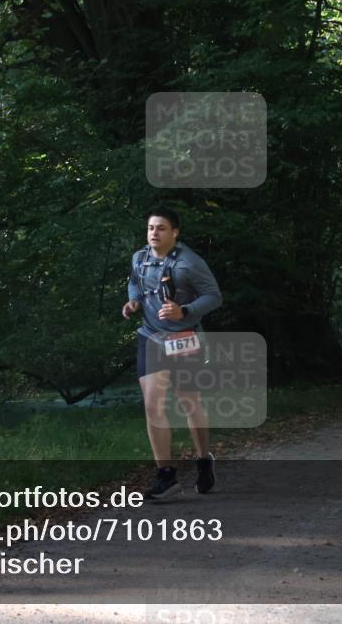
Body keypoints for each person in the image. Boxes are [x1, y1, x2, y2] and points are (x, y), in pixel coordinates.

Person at [123, 207, 222, 499]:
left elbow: (214, 296)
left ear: (175, 233)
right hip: (150, 337)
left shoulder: (189, 263)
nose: (154, 233)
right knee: (153, 405)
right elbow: (134, 284)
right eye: (151, 228)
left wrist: (185, 310)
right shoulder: (139, 258)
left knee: (190, 404)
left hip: (183, 337)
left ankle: (204, 459)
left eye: (161, 228)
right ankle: (166, 477)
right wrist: (133, 302)